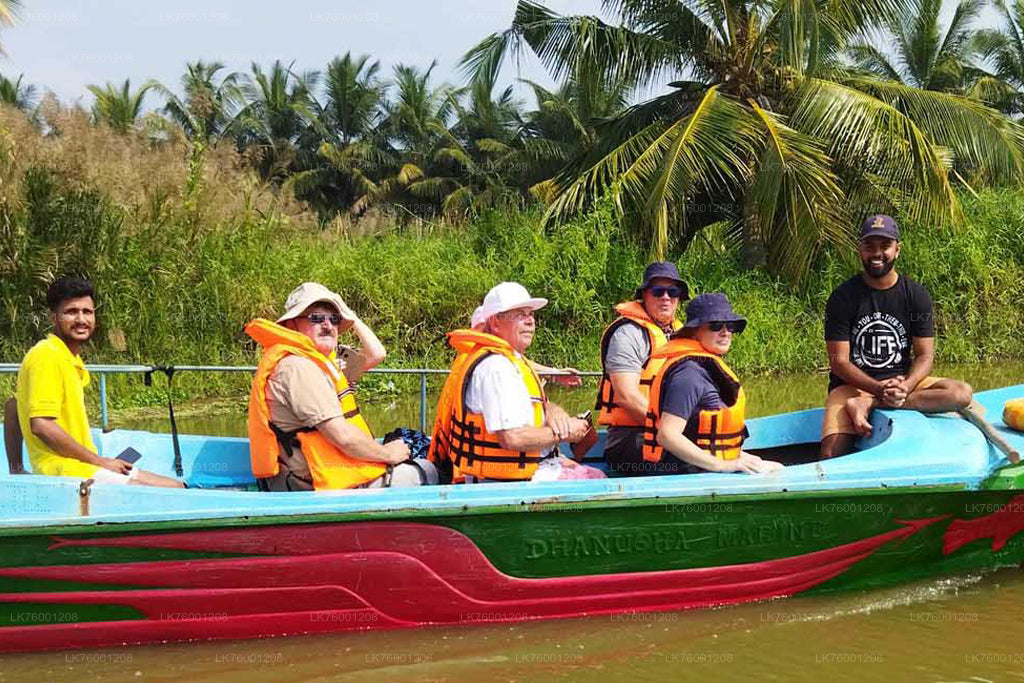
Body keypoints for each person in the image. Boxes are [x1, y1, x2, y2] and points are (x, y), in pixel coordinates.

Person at [246, 282, 429, 491]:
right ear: (291, 325)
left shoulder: (322, 366)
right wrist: (389, 454)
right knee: (426, 471)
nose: (328, 325)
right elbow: (343, 437)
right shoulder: (298, 367)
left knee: (416, 450)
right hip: (316, 484)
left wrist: (349, 314)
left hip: (332, 470)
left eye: (334, 319)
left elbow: (378, 354)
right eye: (316, 318)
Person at [820, 215, 973, 459]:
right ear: (860, 249)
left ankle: (870, 405)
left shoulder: (916, 294)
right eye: (870, 246)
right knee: (830, 455)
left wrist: (905, 386)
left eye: (885, 246)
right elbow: (839, 362)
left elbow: (925, 355)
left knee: (960, 393)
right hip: (854, 387)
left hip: (902, 381)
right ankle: (866, 401)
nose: (877, 253)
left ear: (897, 249)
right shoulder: (843, 297)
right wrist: (877, 388)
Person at [15, 276, 183, 487]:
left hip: (84, 465)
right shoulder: (47, 355)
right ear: (54, 318)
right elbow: (41, 425)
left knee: (177, 487)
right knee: (165, 495)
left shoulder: (68, 357)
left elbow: (13, 405)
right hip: (64, 471)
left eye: (87, 312)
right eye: (71, 312)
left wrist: (16, 468)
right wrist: (99, 461)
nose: (81, 319)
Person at [429, 282, 592, 483]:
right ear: (496, 323)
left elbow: (530, 407)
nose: (530, 321)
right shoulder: (497, 367)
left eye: (531, 314)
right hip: (507, 485)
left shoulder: (510, 361)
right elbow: (512, 438)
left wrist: (552, 410)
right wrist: (565, 433)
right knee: (601, 484)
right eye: (520, 314)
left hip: (528, 473)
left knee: (593, 475)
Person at [640, 293, 783, 475]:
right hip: (684, 475)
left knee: (775, 468)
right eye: (715, 325)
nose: (725, 332)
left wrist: (739, 457)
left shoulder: (704, 367)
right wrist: (723, 465)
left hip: (700, 469)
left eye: (730, 326)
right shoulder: (689, 374)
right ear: (694, 331)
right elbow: (667, 435)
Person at [596, 262, 688, 474]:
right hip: (629, 439)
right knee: (694, 461)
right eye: (658, 291)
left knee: (721, 446)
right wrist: (675, 432)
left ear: (679, 299)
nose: (665, 297)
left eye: (672, 292)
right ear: (644, 296)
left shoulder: (683, 334)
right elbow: (627, 397)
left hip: (671, 431)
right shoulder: (628, 334)